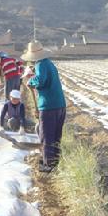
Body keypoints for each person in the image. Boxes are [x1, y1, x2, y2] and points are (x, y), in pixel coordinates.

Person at [21, 40, 66, 173]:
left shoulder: (40, 64)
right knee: (56, 136)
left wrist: (31, 80)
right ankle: (55, 163)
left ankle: (47, 167)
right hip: (60, 105)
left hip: (48, 106)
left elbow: (40, 80)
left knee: (46, 136)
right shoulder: (49, 63)